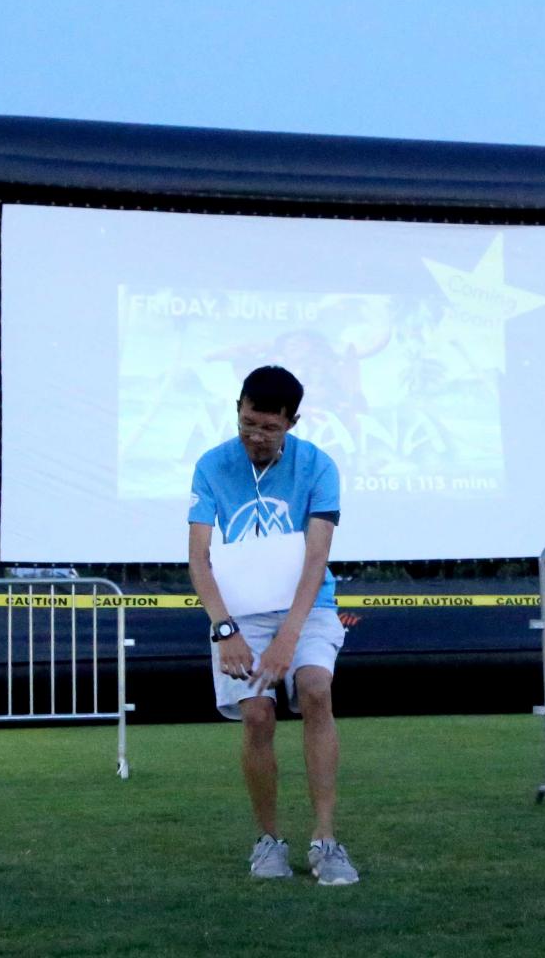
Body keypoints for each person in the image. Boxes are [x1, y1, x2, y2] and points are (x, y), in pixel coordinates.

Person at [187, 365, 359, 886]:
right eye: (248, 424)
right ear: (238, 409)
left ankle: (326, 841)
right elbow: (199, 557)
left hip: (307, 609)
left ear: (293, 422)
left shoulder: (319, 466)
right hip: (240, 616)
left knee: (314, 688)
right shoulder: (212, 466)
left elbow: (316, 557)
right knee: (257, 716)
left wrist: (290, 635)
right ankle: (268, 840)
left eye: (269, 428)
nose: (256, 437)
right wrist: (224, 630)